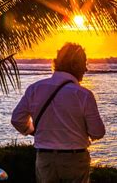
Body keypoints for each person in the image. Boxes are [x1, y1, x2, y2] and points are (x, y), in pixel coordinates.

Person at [11, 43, 105, 183]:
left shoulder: (35, 88)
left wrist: (33, 131)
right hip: (74, 160)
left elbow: (17, 119)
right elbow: (97, 132)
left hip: (45, 158)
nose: (86, 69)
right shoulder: (83, 94)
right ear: (75, 65)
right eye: (84, 63)